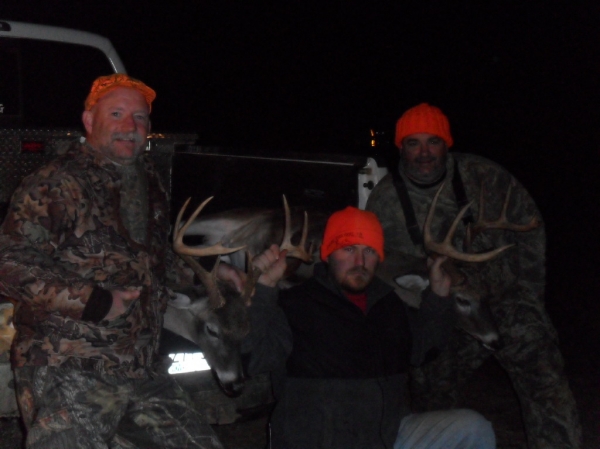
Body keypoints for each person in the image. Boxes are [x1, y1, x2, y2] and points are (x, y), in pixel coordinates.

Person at [0, 74, 239, 448]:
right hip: (68, 364)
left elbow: (151, 261)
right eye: (116, 114)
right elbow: (10, 262)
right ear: (89, 121)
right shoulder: (57, 182)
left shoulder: (149, 181)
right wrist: (94, 301)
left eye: (140, 117)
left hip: (140, 367)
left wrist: (211, 272)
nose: (130, 126)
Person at [365, 103, 581, 448]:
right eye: (413, 143)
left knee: (543, 373)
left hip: (505, 298)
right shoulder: (385, 200)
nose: (424, 153)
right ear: (401, 147)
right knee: (429, 385)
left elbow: (530, 237)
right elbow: (384, 272)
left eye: (433, 142)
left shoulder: (485, 177)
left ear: (446, 144)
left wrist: (528, 301)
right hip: (441, 308)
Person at [247, 206, 496, 449]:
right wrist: (263, 291)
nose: (360, 261)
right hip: (318, 440)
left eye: (369, 251)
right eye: (348, 249)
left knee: (472, 429)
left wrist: (438, 296)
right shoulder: (295, 305)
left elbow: (422, 350)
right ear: (328, 254)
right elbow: (254, 359)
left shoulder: (388, 304)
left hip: (386, 435)